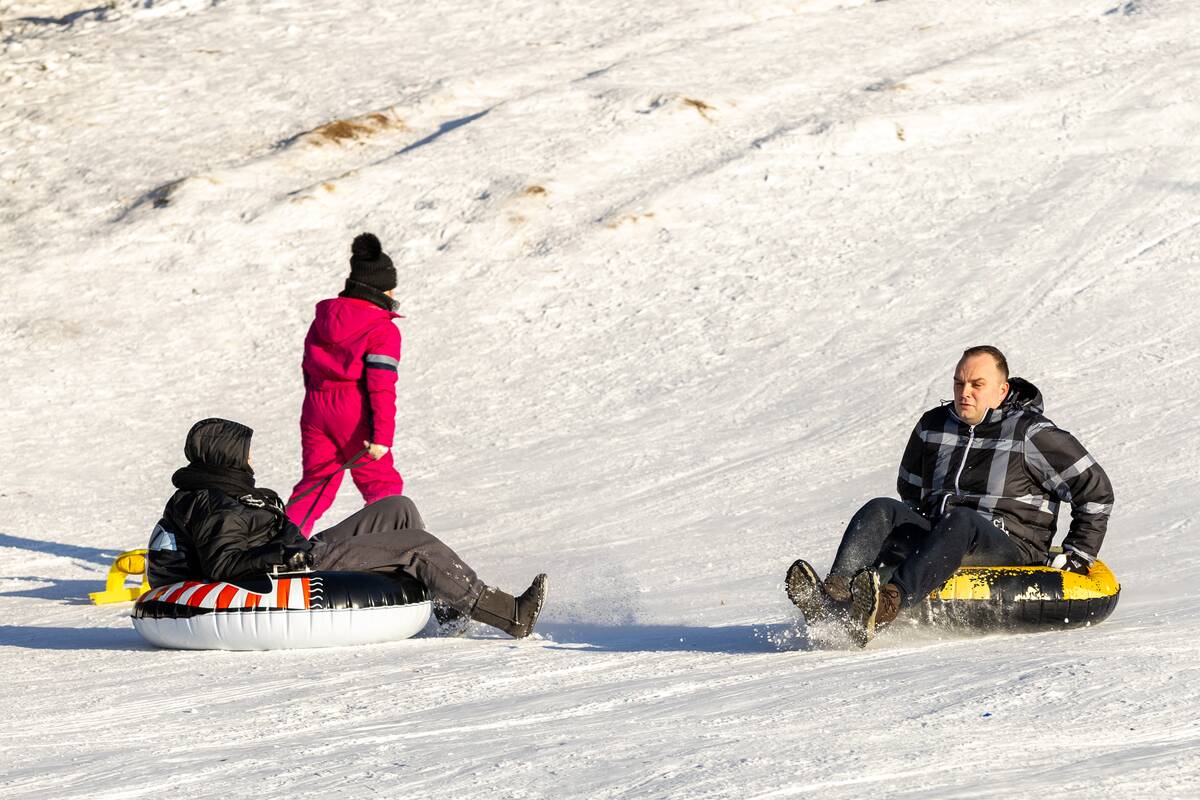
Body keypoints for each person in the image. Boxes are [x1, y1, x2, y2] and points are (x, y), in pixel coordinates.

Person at [785, 345, 1114, 646]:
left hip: (1011, 546)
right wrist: (920, 540)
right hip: (947, 533)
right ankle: (834, 598)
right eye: (959, 383)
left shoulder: (1032, 434)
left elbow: (1096, 490)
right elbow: (910, 487)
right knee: (882, 508)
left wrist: (1078, 555)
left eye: (976, 385)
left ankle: (888, 604)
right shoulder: (934, 426)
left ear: (1002, 391)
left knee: (963, 520)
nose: (965, 393)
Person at [149, 418, 548, 639]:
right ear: (226, 454)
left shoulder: (238, 492)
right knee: (417, 546)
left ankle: (449, 613)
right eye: (246, 451)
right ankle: (509, 614)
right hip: (286, 570)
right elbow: (224, 564)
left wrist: (296, 545)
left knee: (398, 508)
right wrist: (291, 555)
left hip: (299, 554)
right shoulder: (208, 501)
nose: (251, 458)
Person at [286, 232, 406, 536]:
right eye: (392, 286)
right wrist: (381, 436)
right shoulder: (381, 329)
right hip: (354, 412)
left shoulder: (323, 319)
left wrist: (318, 399)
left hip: (315, 406)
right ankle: (392, 549)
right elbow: (381, 386)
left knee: (315, 484)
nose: (394, 293)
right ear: (380, 288)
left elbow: (307, 365)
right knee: (382, 485)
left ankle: (282, 547)